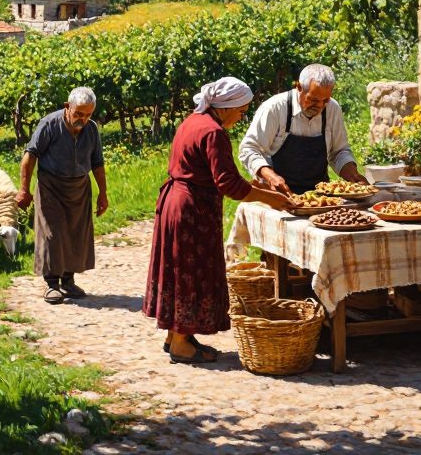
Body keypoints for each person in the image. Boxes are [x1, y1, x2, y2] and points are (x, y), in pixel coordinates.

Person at [143, 77, 293, 365]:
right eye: (241, 109)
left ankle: (176, 335)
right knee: (190, 273)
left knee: (179, 269)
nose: (242, 116)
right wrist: (271, 200)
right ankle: (181, 344)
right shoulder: (213, 132)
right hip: (191, 211)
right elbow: (228, 185)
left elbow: (224, 175)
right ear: (226, 107)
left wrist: (262, 187)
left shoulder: (194, 121)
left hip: (178, 204)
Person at [18, 87, 108, 304]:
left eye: (88, 115)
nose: (83, 119)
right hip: (51, 187)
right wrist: (24, 190)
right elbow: (30, 156)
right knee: (52, 233)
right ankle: (51, 283)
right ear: (67, 107)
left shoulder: (92, 129)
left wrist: (102, 194)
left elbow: (97, 163)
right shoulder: (49, 125)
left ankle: (68, 280)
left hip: (79, 188)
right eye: (78, 114)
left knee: (76, 234)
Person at [238, 64, 366, 195]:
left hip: (319, 195)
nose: (320, 106)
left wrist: (353, 175)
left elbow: (339, 152)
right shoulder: (274, 108)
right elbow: (249, 149)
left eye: (325, 100)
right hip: (276, 195)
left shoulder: (332, 109)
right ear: (299, 87)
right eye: (314, 100)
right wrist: (271, 177)